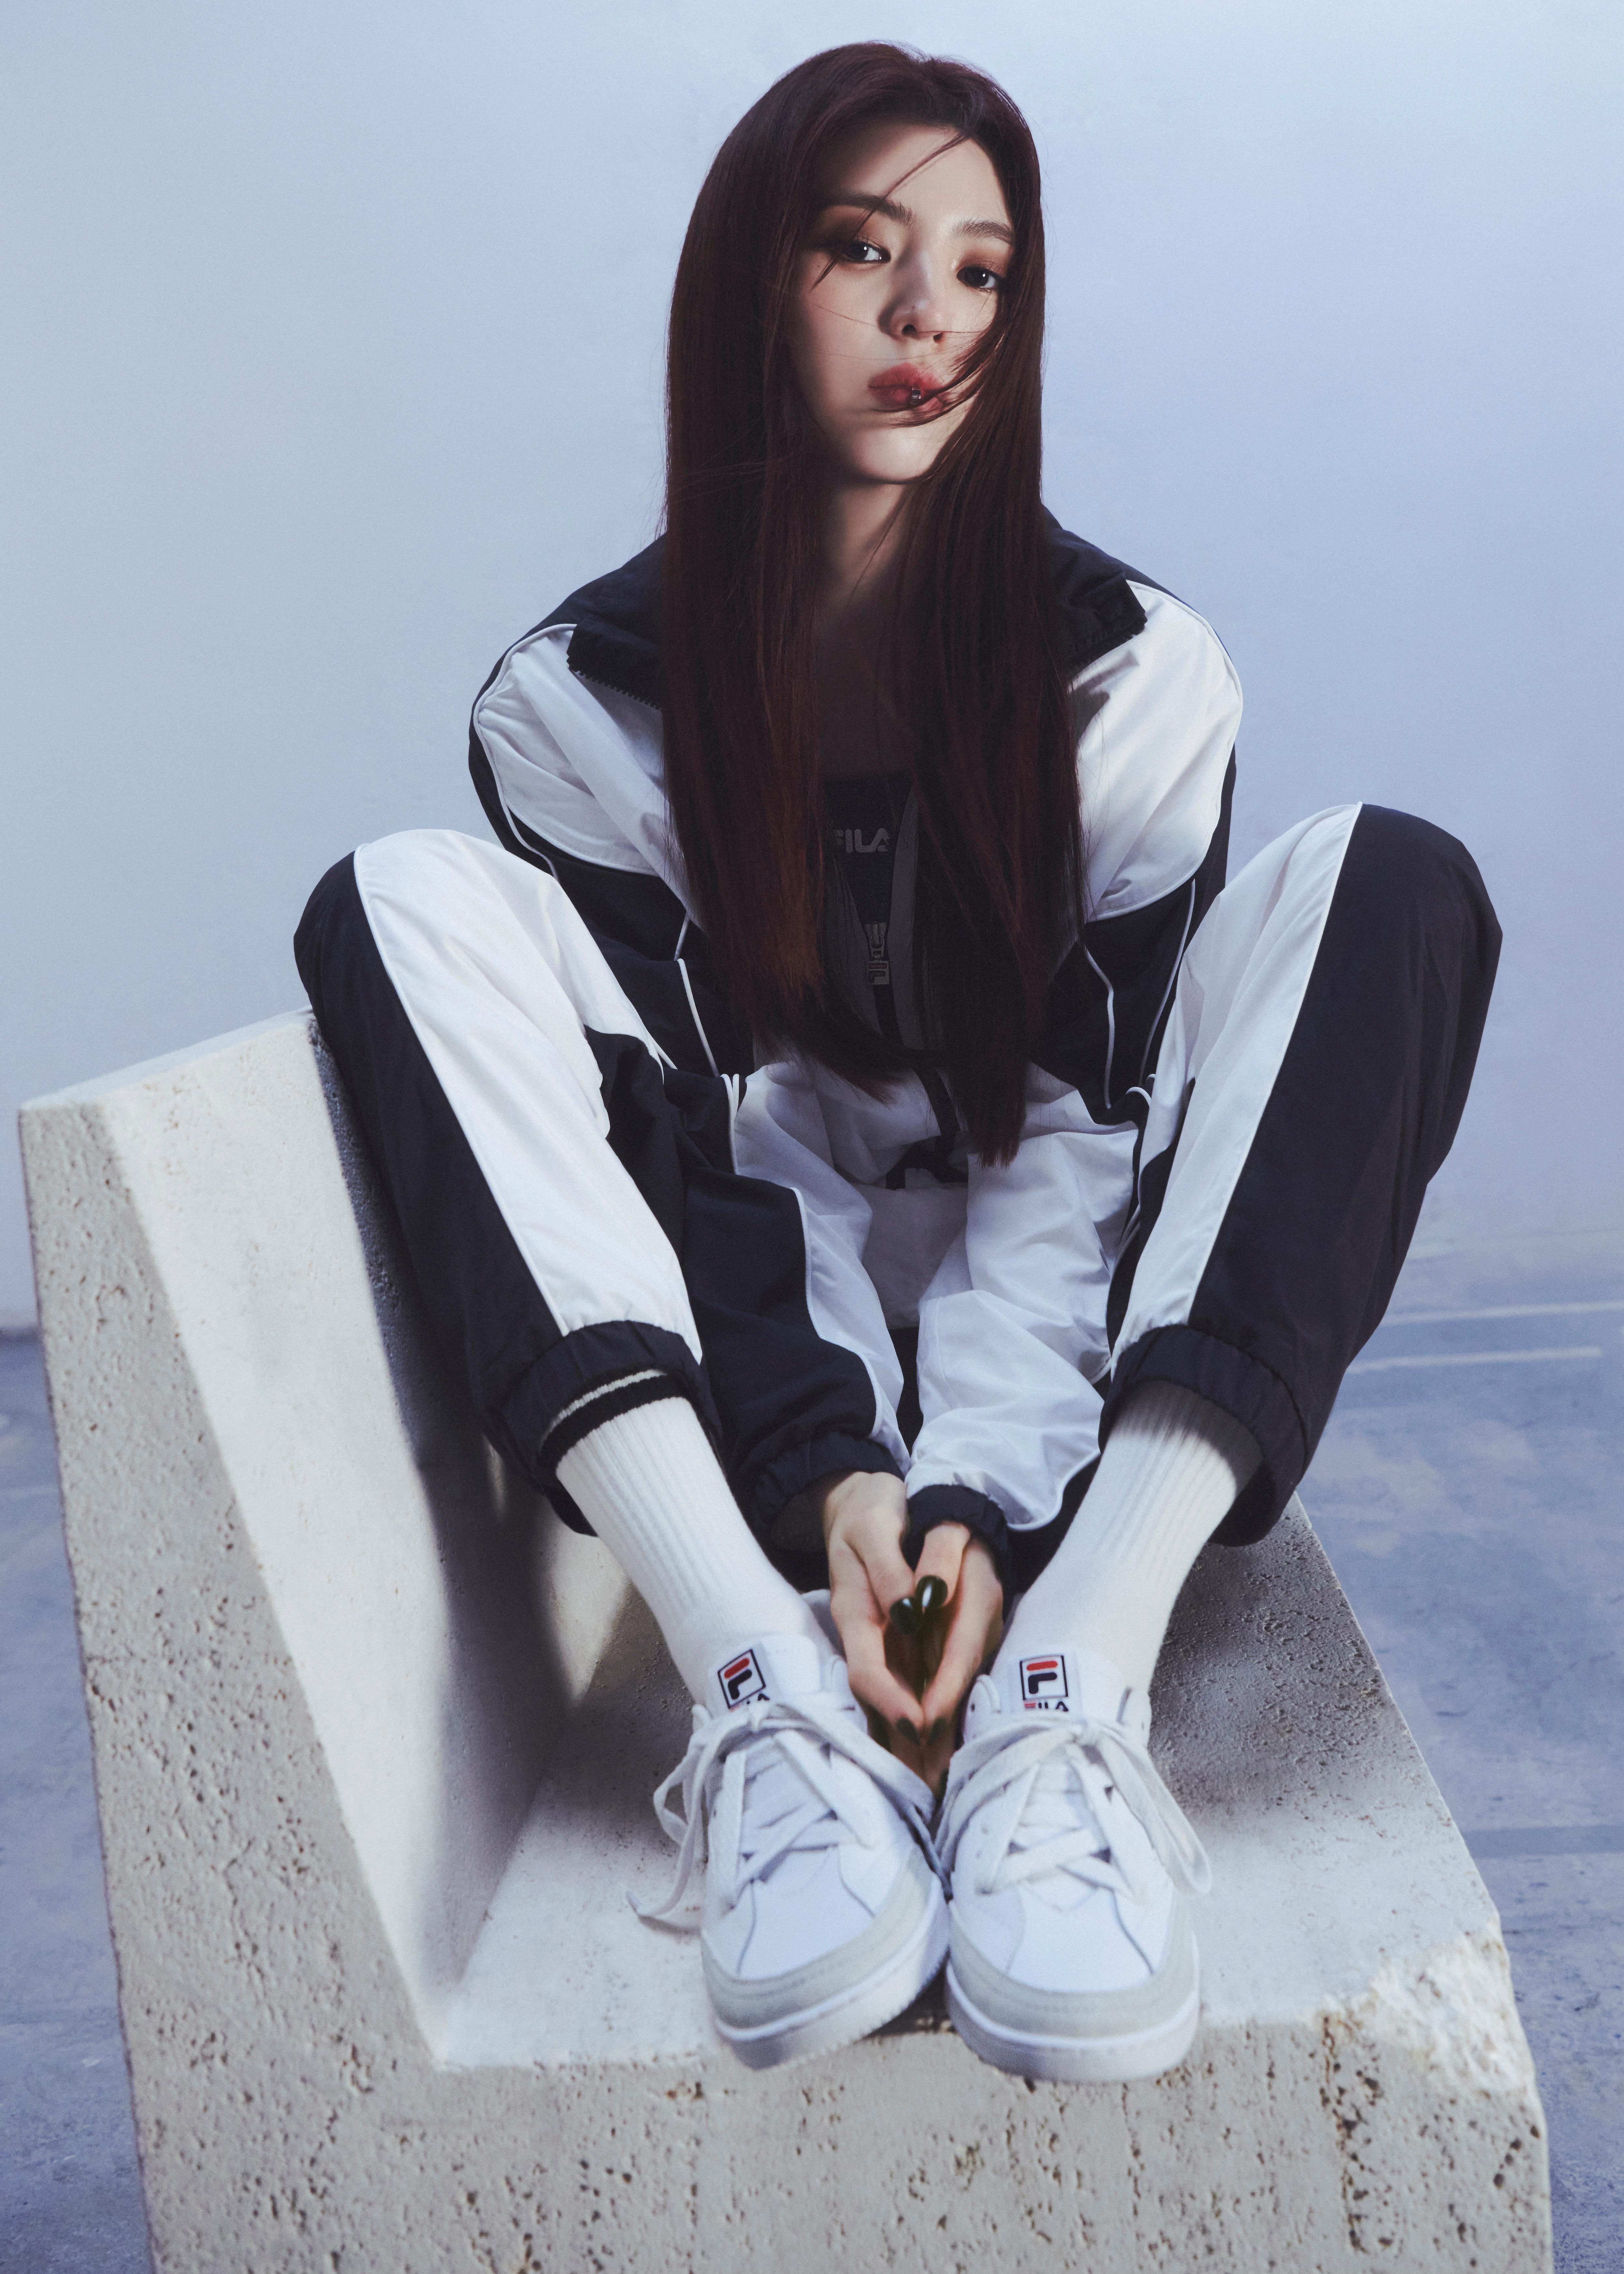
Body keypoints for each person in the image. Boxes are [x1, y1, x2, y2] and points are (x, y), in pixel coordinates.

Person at [294, 43, 1499, 2083]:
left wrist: (985, 1509)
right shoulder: (572, 712)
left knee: (1390, 878)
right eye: (861, 248)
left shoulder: (1132, 672)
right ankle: (757, 1690)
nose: (929, 312)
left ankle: (1070, 1686)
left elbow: (1077, 1134)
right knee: (396, 895)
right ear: (746, 289)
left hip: (1092, 1324)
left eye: (981, 269)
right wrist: (832, 1481)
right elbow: (709, 1155)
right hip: (736, 1342)